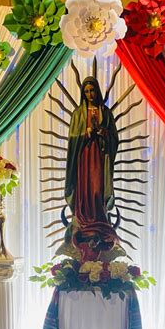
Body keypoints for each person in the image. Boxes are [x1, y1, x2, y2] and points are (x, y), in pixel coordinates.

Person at [61, 76, 120, 262]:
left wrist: (103, 133)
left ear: (97, 91)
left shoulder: (106, 113)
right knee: (84, 189)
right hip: (83, 157)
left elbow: (114, 139)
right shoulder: (78, 114)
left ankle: (99, 219)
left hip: (100, 158)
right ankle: (82, 219)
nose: (89, 94)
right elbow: (73, 139)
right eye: (86, 91)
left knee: (97, 188)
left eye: (92, 90)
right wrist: (85, 134)